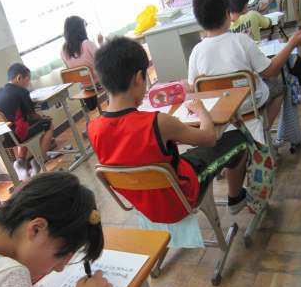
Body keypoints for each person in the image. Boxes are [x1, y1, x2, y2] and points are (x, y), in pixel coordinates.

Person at [88, 37, 249, 219]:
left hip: (144, 205)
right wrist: (201, 110)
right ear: (139, 78)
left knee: (182, 156)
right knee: (237, 139)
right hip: (180, 199)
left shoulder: (93, 128)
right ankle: (236, 198)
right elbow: (209, 138)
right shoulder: (158, 122)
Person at [188, 0, 301, 126]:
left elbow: (193, 87)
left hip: (218, 109)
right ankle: (263, 128)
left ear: (200, 22)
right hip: (248, 104)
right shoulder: (242, 40)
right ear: (227, 13)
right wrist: (291, 44)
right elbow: (270, 71)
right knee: (279, 88)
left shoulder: (196, 51)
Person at [0, 63, 55, 180]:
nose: (28, 84)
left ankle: (20, 162)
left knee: (24, 126)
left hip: (0, 139)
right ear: (19, 78)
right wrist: (43, 118)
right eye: (27, 80)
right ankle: (38, 161)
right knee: (48, 124)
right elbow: (32, 115)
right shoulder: (21, 92)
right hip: (15, 136)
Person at [61, 16, 104, 111]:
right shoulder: (87, 44)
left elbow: (70, 70)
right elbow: (104, 60)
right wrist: (101, 43)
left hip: (84, 87)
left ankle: (91, 102)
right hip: (99, 83)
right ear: (80, 29)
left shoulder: (63, 51)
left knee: (84, 75)